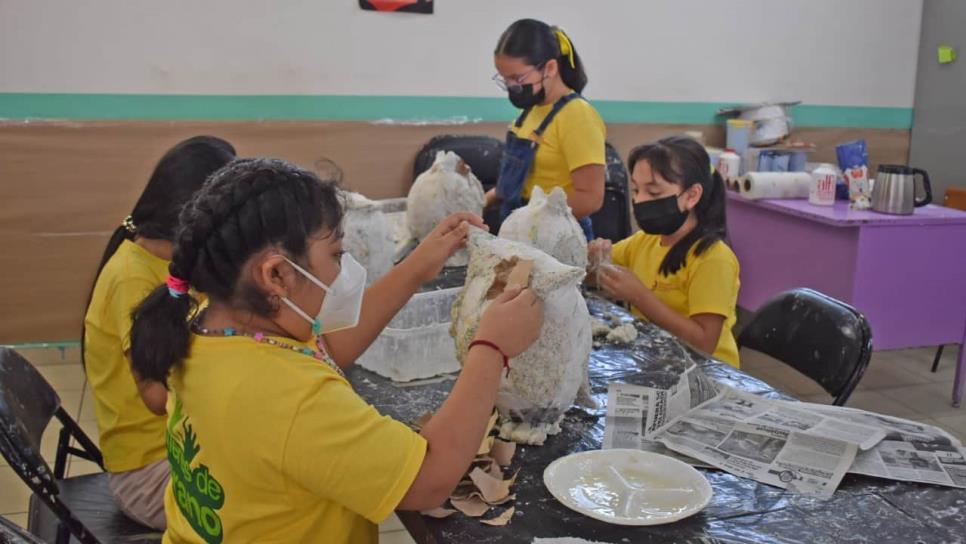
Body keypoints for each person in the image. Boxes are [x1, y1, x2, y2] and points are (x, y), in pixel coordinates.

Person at [129, 158, 543, 543]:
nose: (344, 271)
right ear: (276, 274)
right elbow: (427, 480)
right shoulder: (289, 398)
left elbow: (324, 348)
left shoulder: (211, 324)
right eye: (336, 255)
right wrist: (490, 348)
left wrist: (418, 264)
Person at [82, 136, 236, 529]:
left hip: (180, 444)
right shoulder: (132, 279)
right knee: (277, 500)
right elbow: (156, 398)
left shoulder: (171, 262)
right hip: (149, 472)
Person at [588, 136, 741, 367]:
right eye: (636, 190)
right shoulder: (644, 241)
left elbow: (703, 343)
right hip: (660, 358)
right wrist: (594, 262)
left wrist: (639, 296)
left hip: (707, 373)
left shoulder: (713, 258)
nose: (639, 201)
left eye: (654, 193)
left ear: (691, 196)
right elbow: (597, 274)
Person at [488, 18, 606, 239]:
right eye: (505, 79)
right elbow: (521, 184)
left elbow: (590, 197)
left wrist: (530, 221)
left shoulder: (577, 116)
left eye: (517, 78)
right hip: (520, 232)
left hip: (556, 238)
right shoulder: (530, 111)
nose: (512, 87)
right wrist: (482, 201)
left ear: (550, 68)